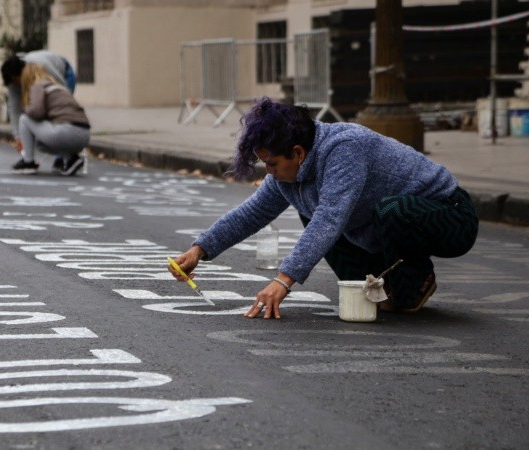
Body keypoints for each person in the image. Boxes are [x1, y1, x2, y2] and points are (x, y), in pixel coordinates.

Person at [168, 97, 478, 319]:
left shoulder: (345, 147)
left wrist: (283, 280)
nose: (269, 172)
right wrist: (199, 250)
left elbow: (330, 217)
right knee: (314, 213)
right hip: (383, 228)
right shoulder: (288, 174)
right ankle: (384, 283)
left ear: (298, 153)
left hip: (448, 216)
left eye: (272, 164)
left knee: (390, 211)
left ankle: (417, 279)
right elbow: (252, 213)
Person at [0, 51, 79, 173]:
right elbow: (14, 108)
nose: (16, 85)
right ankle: (62, 155)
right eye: (13, 83)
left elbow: (61, 91)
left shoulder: (40, 66)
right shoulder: (13, 82)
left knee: (57, 112)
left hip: (63, 74)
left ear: (20, 73)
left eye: (16, 81)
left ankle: (67, 156)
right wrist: (18, 136)